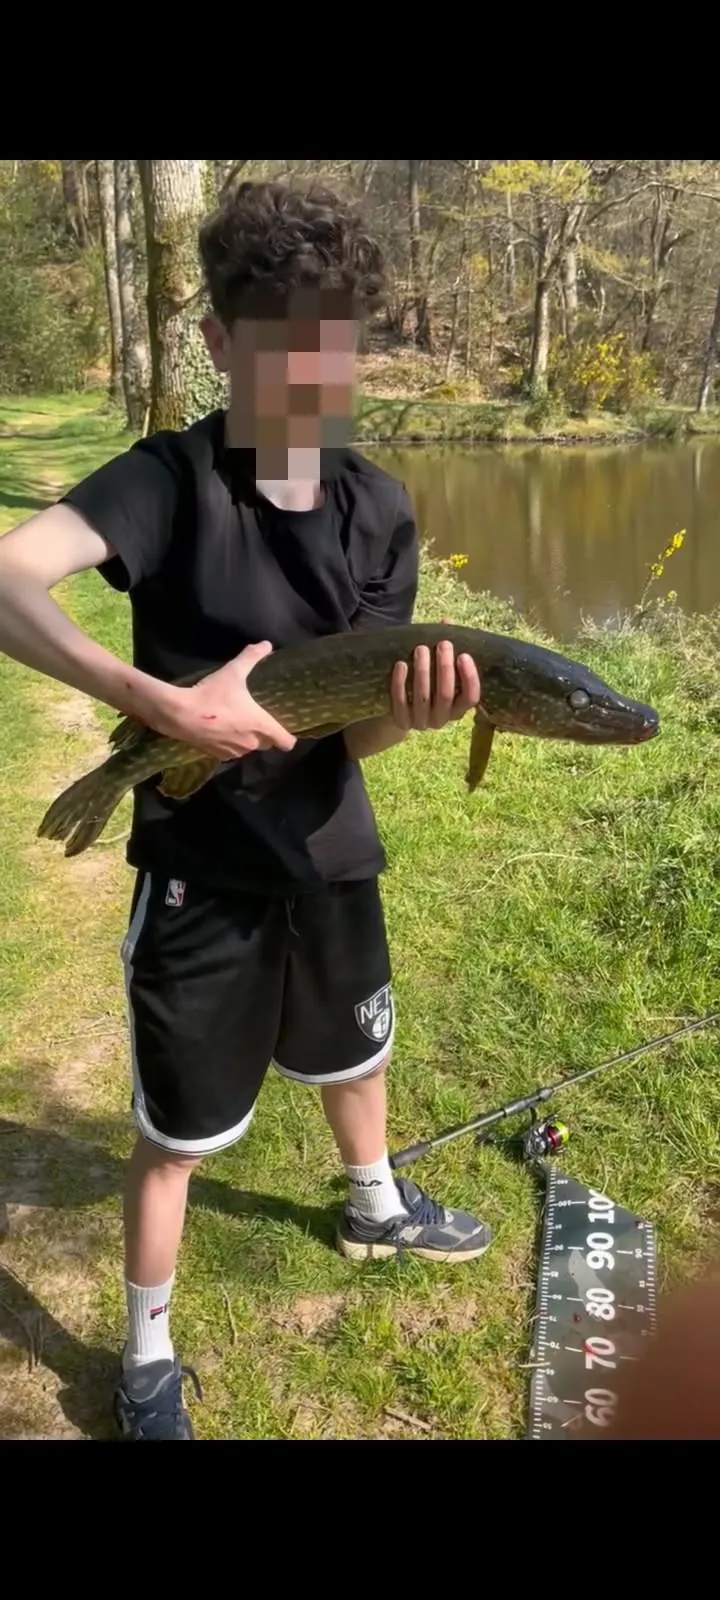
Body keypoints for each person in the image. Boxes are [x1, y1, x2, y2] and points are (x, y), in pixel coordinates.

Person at [0, 180, 492, 1441]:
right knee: (178, 1133)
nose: (317, 378)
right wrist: (151, 703)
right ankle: (147, 1350)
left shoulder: (377, 505)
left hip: (329, 848)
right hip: (199, 872)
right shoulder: (165, 482)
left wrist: (414, 715)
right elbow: (6, 576)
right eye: (285, 347)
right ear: (222, 343)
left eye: (339, 347)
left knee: (358, 1050)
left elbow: (361, 723)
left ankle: (375, 1200)